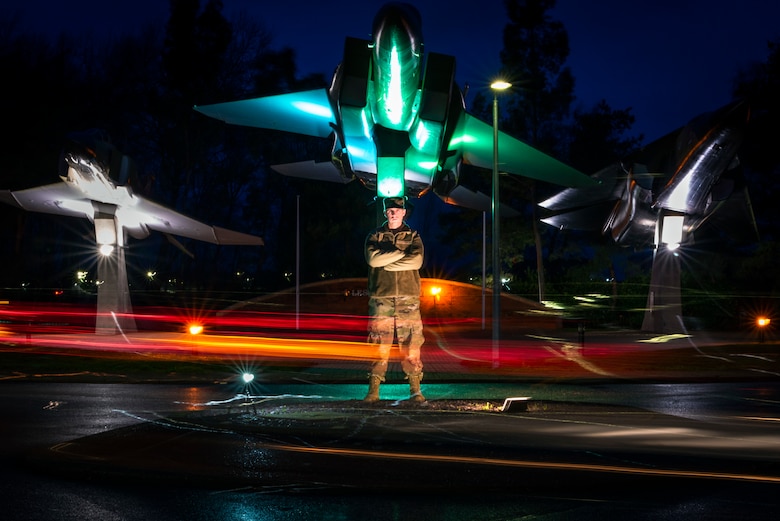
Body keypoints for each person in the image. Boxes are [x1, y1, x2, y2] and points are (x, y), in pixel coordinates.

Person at [363, 196, 425, 402]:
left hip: (408, 296)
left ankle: (415, 390)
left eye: (397, 210)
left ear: (404, 212)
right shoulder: (375, 235)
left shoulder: (414, 235)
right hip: (382, 296)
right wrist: (401, 254)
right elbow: (373, 259)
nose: (394, 213)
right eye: (390, 210)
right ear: (385, 213)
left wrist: (387, 262)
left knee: (412, 343)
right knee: (379, 342)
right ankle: (373, 390)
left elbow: (416, 261)